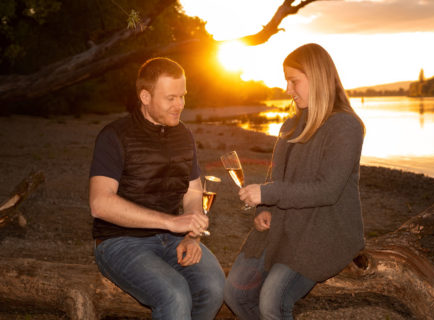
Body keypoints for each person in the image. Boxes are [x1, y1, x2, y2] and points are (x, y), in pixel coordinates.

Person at [224, 43, 366, 319]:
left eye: (294, 81)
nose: (288, 90)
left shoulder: (346, 126)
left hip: (324, 231)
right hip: (283, 227)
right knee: (235, 293)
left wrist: (267, 194)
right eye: (286, 81)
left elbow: (328, 190)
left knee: (272, 300)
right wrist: (264, 209)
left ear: (319, 77)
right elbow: (276, 177)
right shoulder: (290, 125)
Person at [89, 57, 225, 320]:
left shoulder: (184, 135)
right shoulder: (114, 136)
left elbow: (193, 190)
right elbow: (100, 203)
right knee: (174, 294)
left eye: (183, 96)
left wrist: (192, 235)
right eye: (170, 98)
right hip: (119, 241)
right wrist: (171, 222)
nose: (180, 105)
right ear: (145, 96)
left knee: (214, 287)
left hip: (173, 238)